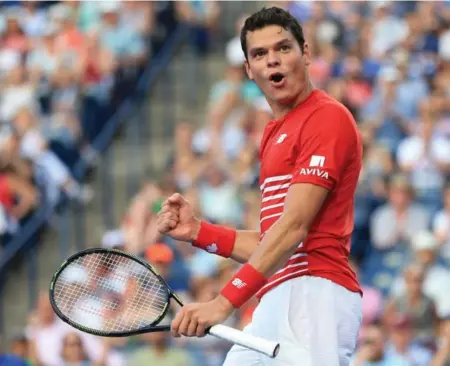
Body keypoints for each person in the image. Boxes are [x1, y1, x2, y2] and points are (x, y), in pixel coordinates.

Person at [157, 7, 363, 366]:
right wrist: (199, 232)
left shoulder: (327, 117)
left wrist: (223, 303)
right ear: (249, 71)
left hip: (314, 295)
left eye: (283, 48)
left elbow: (293, 230)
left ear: (307, 53)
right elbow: (273, 239)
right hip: (276, 299)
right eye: (259, 54)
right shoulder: (272, 134)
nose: (273, 61)